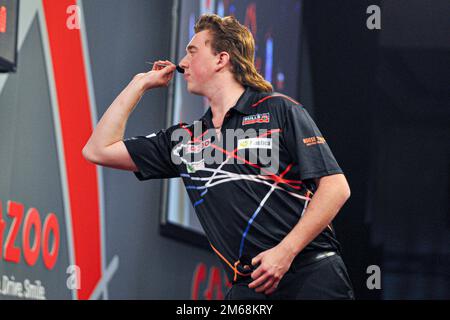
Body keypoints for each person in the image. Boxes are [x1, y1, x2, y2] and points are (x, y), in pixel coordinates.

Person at [82, 14, 354, 300]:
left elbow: (336, 188)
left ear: (221, 59)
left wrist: (285, 252)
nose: (182, 63)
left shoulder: (279, 110)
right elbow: (98, 149)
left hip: (309, 274)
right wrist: (139, 84)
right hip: (248, 286)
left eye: (192, 51)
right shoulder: (185, 139)